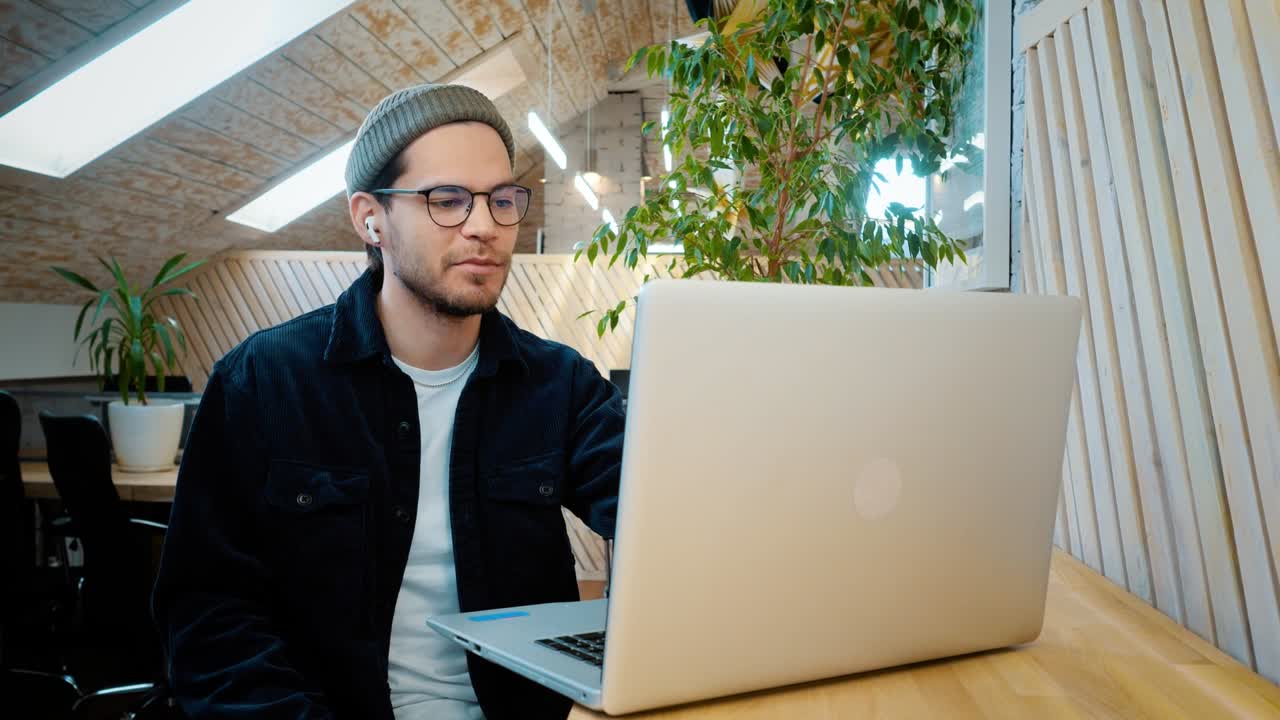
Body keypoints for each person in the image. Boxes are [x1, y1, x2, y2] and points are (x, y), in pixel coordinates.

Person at [152, 83, 625, 720]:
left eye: (501, 199)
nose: (484, 226)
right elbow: (208, 620)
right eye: (447, 199)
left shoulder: (560, 385)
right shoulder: (264, 381)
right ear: (370, 218)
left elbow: (660, 521)